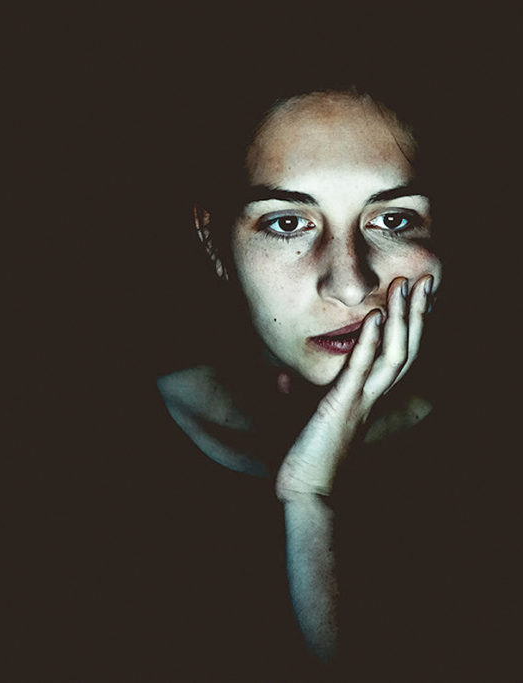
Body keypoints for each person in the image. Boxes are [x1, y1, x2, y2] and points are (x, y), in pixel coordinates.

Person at [155, 84, 459, 677]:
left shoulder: (522, 459)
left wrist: (311, 499)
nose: (349, 284)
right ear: (213, 241)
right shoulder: (86, 449)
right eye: (288, 222)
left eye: (393, 219)